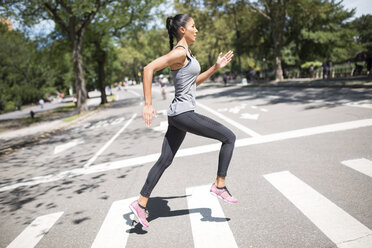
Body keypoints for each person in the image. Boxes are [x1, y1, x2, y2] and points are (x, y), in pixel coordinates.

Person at [129, 14, 237, 228]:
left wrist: (215, 68)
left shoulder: (186, 53)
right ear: (182, 30)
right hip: (183, 114)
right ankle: (219, 185)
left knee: (164, 160)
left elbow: (192, 82)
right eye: (193, 27)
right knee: (229, 137)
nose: (196, 30)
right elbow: (148, 69)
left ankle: (141, 203)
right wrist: (148, 103)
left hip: (178, 114)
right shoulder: (178, 53)